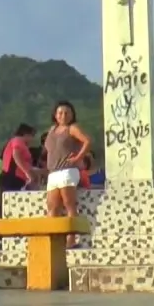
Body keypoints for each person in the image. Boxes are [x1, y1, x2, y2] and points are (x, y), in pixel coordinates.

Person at [43, 100, 91, 248]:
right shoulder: (52, 130)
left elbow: (87, 141)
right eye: (60, 113)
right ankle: (54, 239)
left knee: (69, 204)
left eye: (66, 112)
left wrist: (78, 157)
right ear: (55, 115)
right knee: (53, 207)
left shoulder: (72, 128)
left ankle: (71, 240)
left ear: (71, 114)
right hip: (54, 172)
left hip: (67, 170)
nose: (63, 115)